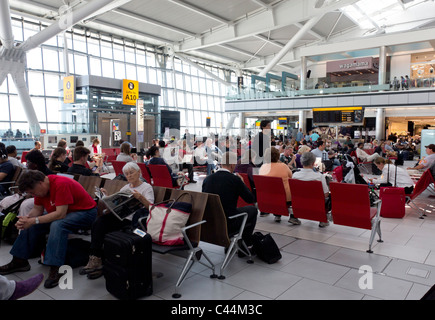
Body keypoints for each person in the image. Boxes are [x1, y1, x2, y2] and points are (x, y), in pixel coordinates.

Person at [0, 170, 98, 289]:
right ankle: (19, 260)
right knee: (30, 223)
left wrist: (34, 220)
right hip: (66, 211)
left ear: (41, 183)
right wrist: (26, 219)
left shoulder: (60, 184)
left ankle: (56, 266)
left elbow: (60, 214)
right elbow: (37, 210)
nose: (34, 195)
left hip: (85, 212)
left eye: (33, 192)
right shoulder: (41, 190)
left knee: (58, 225)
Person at [80, 162, 154, 279]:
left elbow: (152, 208)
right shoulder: (125, 187)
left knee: (102, 225)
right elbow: (118, 204)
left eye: (131, 173)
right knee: (98, 222)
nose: (129, 176)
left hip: (133, 221)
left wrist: (140, 197)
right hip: (120, 217)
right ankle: (95, 258)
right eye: (126, 174)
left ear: (139, 172)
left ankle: (98, 261)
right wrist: (107, 197)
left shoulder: (146, 187)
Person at [202, 152, 257, 250]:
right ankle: (246, 244)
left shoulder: (208, 179)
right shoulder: (234, 180)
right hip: (229, 223)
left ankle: (232, 243)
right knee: (252, 210)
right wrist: (242, 183)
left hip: (210, 223)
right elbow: (250, 199)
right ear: (232, 165)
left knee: (230, 208)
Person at [292, 152, 330, 228]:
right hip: (316, 204)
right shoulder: (319, 176)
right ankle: (322, 220)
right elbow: (326, 194)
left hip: (299, 203)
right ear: (313, 163)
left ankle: (294, 217)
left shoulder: (295, 175)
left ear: (302, 162)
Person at [259, 148, 293, 222]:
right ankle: (293, 217)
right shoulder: (283, 166)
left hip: (268, 198)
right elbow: (291, 176)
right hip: (285, 199)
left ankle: (278, 215)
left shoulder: (263, 167)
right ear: (277, 156)